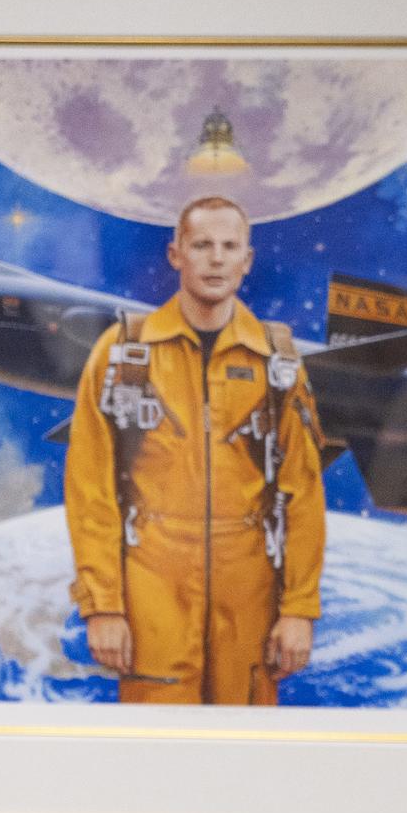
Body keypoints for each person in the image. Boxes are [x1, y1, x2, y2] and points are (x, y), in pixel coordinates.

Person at [64, 196, 325, 705]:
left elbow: (304, 495)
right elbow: (90, 490)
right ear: (175, 254)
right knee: (153, 761)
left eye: (230, 246)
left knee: (245, 762)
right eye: (202, 245)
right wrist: (103, 607)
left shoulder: (279, 363)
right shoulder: (121, 355)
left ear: (247, 260)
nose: (216, 258)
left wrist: (298, 609)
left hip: (249, 599)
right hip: (151, 597)